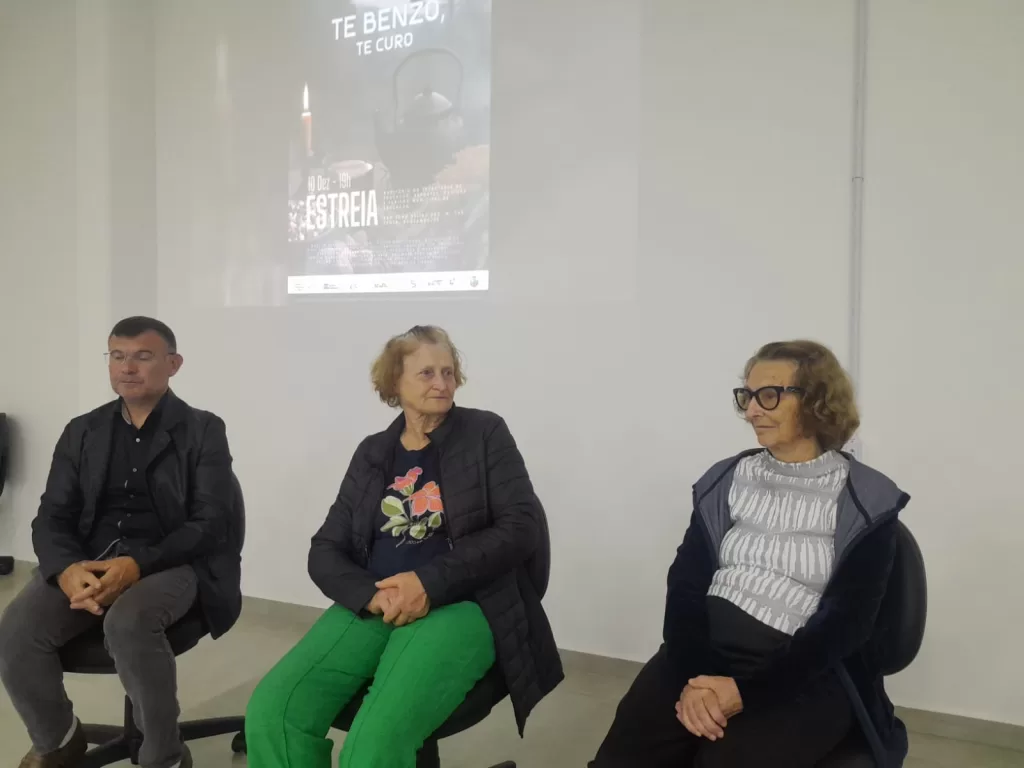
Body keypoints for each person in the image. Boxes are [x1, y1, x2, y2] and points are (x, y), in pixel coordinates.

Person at [245, 325, 563, 768]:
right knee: (272, 713)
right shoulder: (373, 452)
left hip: (466, 601)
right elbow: (326, 548)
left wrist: (427, 583)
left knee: (373, 742)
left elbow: (520, 528)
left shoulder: (485, 432)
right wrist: (370, 595)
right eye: (427, 373)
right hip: (380, 600)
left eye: (448, 372)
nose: (442, 383)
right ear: (395, 382)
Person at [591, 340, 911, 768]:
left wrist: (746, 692)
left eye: (769, 395)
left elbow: (848, 623)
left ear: (816, 401)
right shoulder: (726, 479)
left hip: (804, 671)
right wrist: (697, 679)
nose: (752, 410)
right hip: (703, 651)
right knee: (623, 755)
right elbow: (685, 586)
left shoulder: (868, 498)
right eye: (748, 395)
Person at [0, 317, 241, 768]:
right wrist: (66, 568)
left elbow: (210, 523)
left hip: (174, 560)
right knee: (16, 631)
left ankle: (163, 754)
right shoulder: (82, 430)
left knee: (129, 622)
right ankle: (58, 739)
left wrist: (137, 565)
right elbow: (52, 515)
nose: (127, 368)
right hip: (90, 559)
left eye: (143, 357)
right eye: (117, 356)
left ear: (173, 364)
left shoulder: (204, 430)